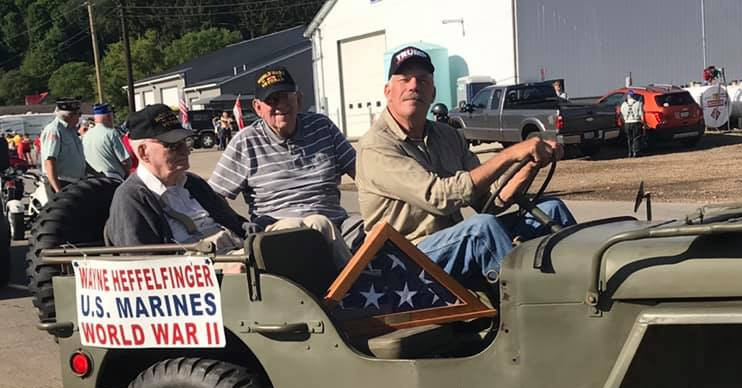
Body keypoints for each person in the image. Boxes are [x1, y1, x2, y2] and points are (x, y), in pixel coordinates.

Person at [356, 46, 574, 285]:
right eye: (404, 79)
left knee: (552, 209)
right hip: (402, 261)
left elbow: (490, 201)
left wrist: (530, 163)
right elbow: (438, 198)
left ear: (433, 93)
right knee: (481, 230)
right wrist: (510, 154)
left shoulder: (447, 136)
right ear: (388, 91)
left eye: (422, 80)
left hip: (449, 246)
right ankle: (535, 312)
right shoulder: (376, 145)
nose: (413, 86)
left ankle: (587, 293)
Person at [209, 67, 355, 266]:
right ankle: (351, 290)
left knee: (371, 230)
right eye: (272, 100)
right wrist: (240, 226)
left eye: (286, 97)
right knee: (303, 227)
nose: (281, 106)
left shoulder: (323, 127)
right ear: (258, 108)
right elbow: (214, 195)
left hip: (336, 222)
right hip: (277, 229)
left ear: (299, 98)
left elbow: (363, 174)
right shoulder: (246, 141)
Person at [105, 104, 247, 253]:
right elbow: (143, 265)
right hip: (207, 270)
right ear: (143, 152)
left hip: (237, 255)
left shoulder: (193, 183)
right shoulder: (131, 198)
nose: (185, 151)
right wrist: (224, 267)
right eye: (172, 145)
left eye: (184, 142)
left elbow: (237, 224)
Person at [39, 99, 87, 194]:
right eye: (79, 114)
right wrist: (58, 191)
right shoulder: (54, 130)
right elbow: (49, 162)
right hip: (62, 183)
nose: (79, 118)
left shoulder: (71, 130)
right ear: (69, 115)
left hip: (75, 182)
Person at [82, 103, 131, 180]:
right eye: (112, 116)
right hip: (113, 179)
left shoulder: (86, 135)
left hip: (93, 179)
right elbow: (125, 161)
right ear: (109, 117)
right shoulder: (111, 133)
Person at [620, 90, 645, 158]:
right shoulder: (639, 103)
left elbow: (622, 114)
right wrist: (644, 123)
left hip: (627, 123)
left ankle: (629, 152)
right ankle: (636, 152)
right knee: (636, 137)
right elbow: (641, 114)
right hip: (636, 122)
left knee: (629, 138)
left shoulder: (623, 104)